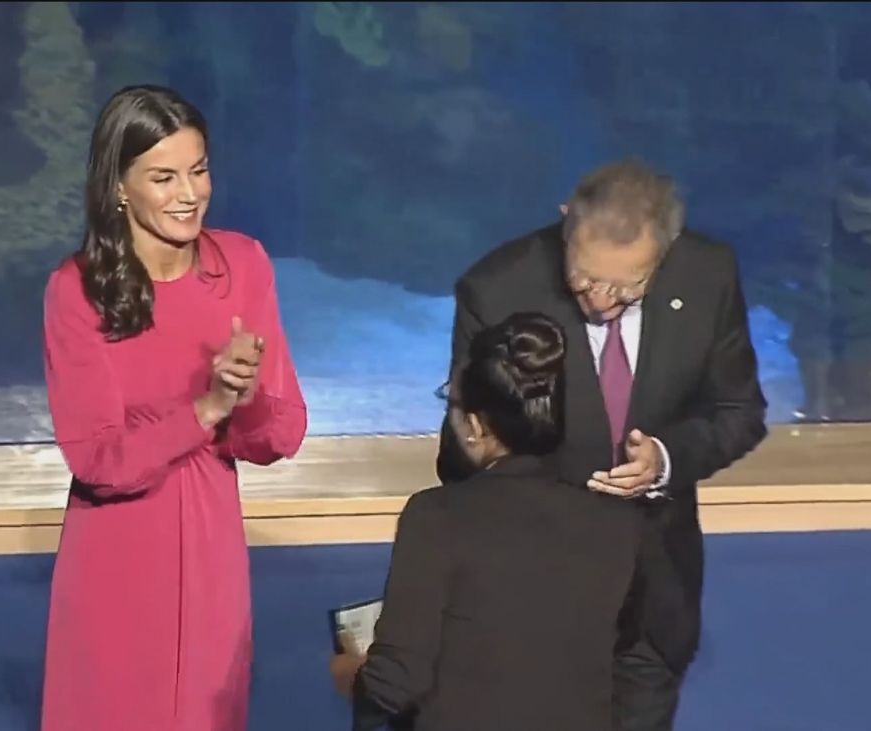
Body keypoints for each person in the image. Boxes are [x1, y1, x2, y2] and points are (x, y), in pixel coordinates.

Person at [434, 160, 768, 730]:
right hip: (536, 592)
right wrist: (484, 443)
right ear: (567, 224)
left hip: (654, 586)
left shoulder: (707, 274)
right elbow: (459, 457)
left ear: (666, 252)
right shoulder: (496, 289)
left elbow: (738, 412)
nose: (600, 300)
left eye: (628, 286)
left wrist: (665, 459)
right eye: (585, 278)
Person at [39, 84, 307, 731]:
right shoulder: (76, 290)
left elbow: (284, 432)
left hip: (212, 550)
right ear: (120, 187)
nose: (189, 194)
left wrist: (243, 403)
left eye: (199, 169)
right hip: (118, 553)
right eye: (164, 177)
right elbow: (97, 457)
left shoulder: (241, 264)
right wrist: (205, 407)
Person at [329, 311, 644, 730]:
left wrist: (349, 672)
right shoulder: (618, 523)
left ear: (475, 425)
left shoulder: (438, 517)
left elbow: (396, 683)